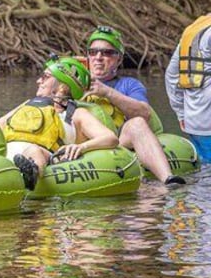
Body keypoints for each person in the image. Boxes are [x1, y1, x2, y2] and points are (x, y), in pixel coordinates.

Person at [82, 26, 185, 184]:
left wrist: (107, 92)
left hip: (117, 141)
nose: (99, 57)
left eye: (107, 52)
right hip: (84, 143)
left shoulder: (129, 85)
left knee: (136, 124)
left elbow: (144, 114)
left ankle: (168, 180)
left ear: (119, 59)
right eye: (93, 52)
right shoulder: (73, 82)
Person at [0, 56, 119, 191]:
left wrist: (82, 147)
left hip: (42, 154)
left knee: (35, 151)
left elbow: (110, 138)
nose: (38, 81)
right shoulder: (27, 104)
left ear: (62, 86)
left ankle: (31, 174)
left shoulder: (76, 114)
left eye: (45, 77)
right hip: (5, 155)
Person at [165, 14, 211, 163]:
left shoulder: (193, 30)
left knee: (205, 173)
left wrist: (181, 113)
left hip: (195, 121)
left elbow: (171, 76)